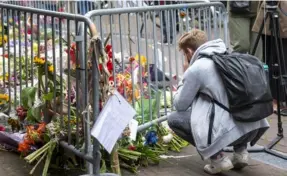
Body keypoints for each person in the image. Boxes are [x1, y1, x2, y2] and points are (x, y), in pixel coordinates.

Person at [167, 29, 269, 174]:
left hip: (230, 133)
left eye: (184, 54)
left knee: (174, 119)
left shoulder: (197, 68)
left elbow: (180, 105)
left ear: (189, 51)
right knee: (227, 104)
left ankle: (218, 159)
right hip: (252, 127)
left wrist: (185, 75)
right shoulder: (230, 56)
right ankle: (241, 153)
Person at [252, 1, 287, 114]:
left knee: (283, 61)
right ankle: (273, 99)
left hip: (282, 14)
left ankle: (281, 98)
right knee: (272, 61)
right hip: (270, 17)